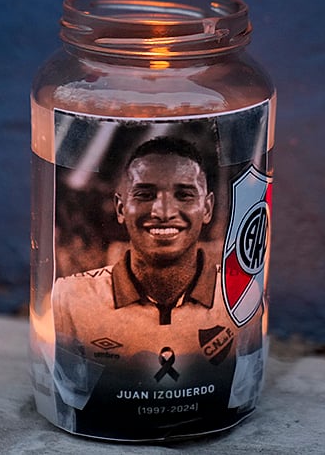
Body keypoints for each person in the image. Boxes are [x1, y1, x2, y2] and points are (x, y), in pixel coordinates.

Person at [49, 136, 263, 438]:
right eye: (145, 194)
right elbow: (72, 400)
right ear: (121, 208)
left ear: (207, 207)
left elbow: (239, 396)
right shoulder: (71, 297)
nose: (163, 211)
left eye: (184, 195)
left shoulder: (242, 297)